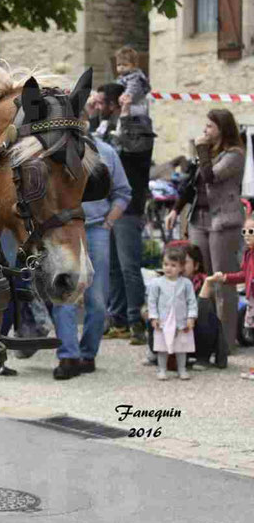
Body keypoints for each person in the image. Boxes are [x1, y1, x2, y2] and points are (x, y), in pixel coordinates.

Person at [49, 136, 132, 379]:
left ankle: (88, 355)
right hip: (64, 228)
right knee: (63, 293)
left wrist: (109, 222)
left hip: (96, 229)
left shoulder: (106, 152)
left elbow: (123, 192)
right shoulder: (54, 151)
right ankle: (68, 356)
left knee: (97, 298)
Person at [165, 109, 245, 352]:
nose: (205, 130)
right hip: (198, 219)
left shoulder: (235, 155)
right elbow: (191, 185)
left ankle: (225, 341)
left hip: (222, 221)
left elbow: (211, 177)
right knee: (200, 280)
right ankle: (204, 337)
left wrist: (200, 151)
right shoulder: (206, 154)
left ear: (222, 128)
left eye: (210, 126)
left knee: (221, 280)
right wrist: (175, 210)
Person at [96, 80, 150, 345]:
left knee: (129, 267)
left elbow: (131, 151)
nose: (98, 107)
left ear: (116, 103)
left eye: (102, 102)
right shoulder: (103, 127)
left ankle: (136, 321)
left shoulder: (137, 125)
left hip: (128, 206)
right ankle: (117, 319)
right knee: (114, 267)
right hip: (108, 206)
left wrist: (127, 114)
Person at [207, 214, 254, 378]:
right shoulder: (248, 255)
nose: (247, 235)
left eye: (251, 231)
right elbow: (244, 275)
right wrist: (226, 278)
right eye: (244, 232)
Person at [148, 246, 198, 380]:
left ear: (181, 267)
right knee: (162, 347)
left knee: (181, 347)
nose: (168, 268)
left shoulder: (186, 284)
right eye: (165, 264)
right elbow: (152, 302)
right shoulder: (156, 283)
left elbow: (191, 301)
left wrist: (191, 317)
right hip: (163, 321)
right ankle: (162, 369)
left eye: (173, 265)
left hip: (180, 320)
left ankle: (182, 369)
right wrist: (154, 317)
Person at [114, 46, 150, 116]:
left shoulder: (135, 77)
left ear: (133, 66)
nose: (121, 67)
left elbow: (131, 89)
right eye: (119, 65)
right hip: (126, 104)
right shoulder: (121, 78)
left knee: (118, 111)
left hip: (138, 106)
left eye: (125, 65)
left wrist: (126, 96)